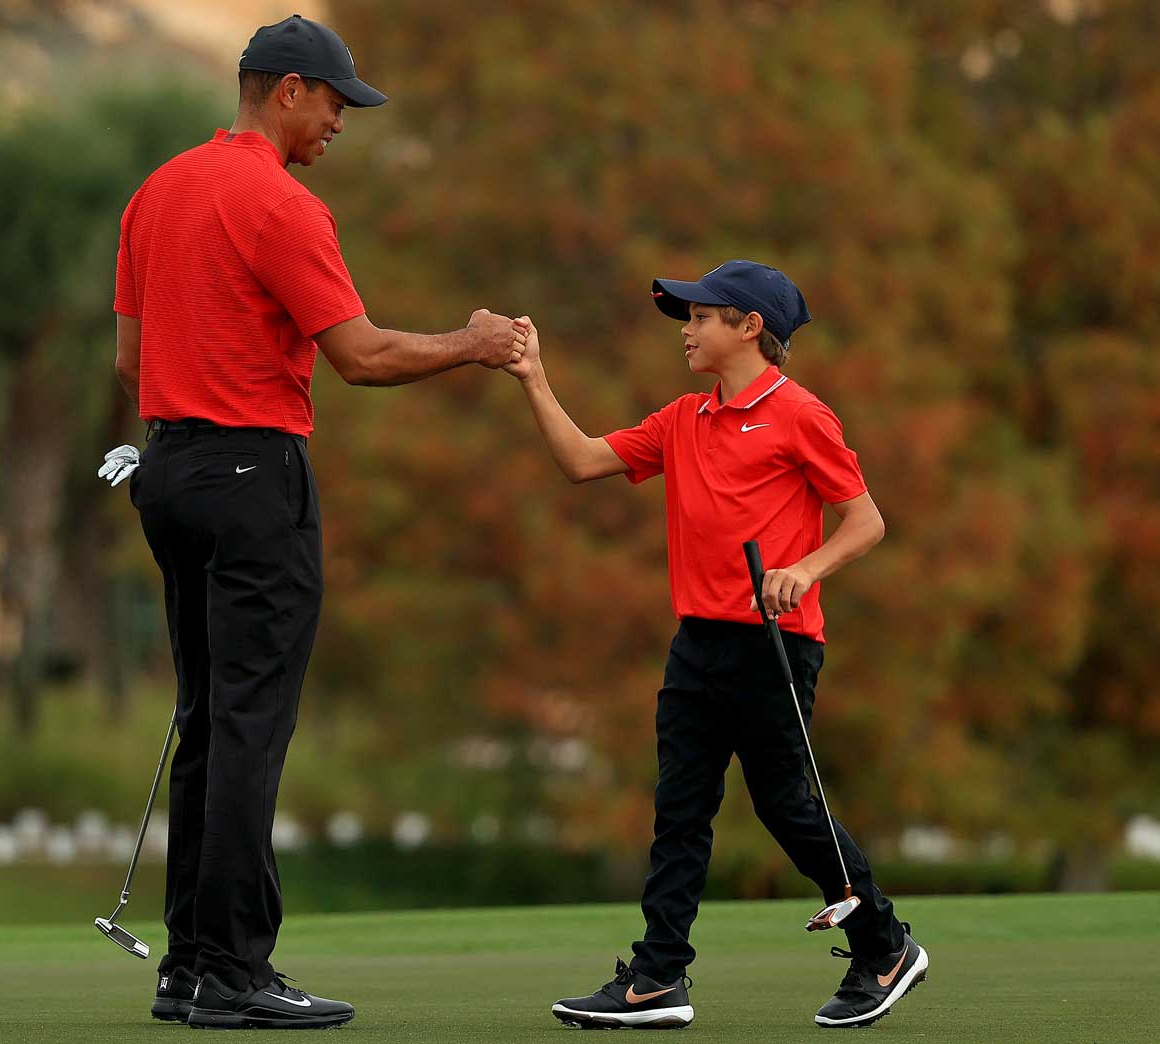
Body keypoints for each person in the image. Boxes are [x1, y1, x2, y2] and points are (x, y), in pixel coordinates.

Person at [101, 14, 525, 1031]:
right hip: (254, 476)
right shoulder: (282, 204)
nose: (341, 121)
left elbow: (127, 361)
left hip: (168, 470)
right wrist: (472, 344)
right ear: (287, 89)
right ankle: (235, 972)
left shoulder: (156, 191)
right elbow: (362, 357)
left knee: (208, 717)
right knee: (250, 723)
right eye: (336, 102)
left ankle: (188, 967)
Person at [505, 261, 927, 1030]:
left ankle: (886, 944)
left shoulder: (801, 415)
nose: (687, 330)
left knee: (785, 807)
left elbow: (866, 522)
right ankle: (657, 978)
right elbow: (581, 460)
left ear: (749, 327)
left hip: (774, 644)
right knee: (680, 810)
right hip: (696, 643)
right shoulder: (681, 419)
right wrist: (533, 375)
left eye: (701, 317)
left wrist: (804, 569)